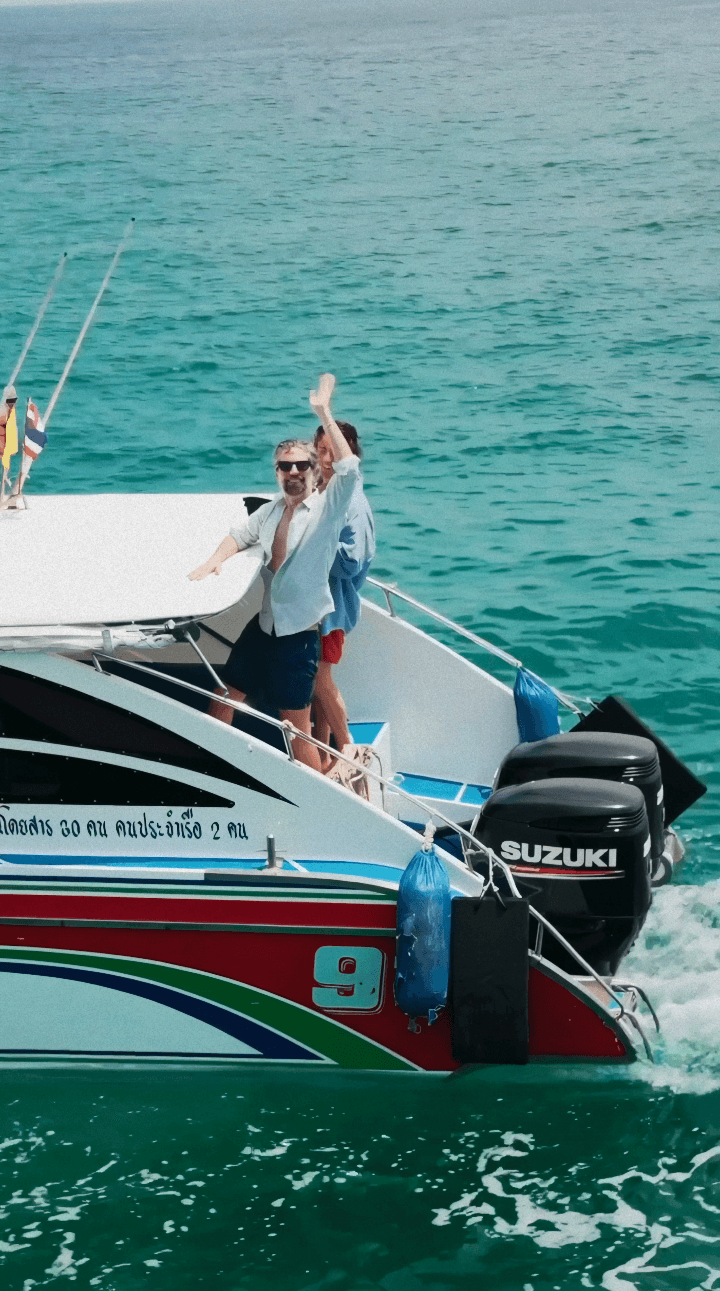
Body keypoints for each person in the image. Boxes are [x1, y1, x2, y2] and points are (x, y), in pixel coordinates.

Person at [188, 374, 359, 772]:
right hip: (264, 627)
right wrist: (215, 561)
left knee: (294, 728)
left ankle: (322, 802)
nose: (294, 472)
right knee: (223, 695)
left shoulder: (325, 512)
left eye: (302, 465)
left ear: (315, 473)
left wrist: (324, 413)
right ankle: (216, 769)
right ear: (277, 472)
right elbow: (238, 535)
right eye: (286, 466)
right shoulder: (268, 512)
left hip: (298, 638)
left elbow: (349, 468)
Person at [312, 420, 375, 771]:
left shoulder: (353, 502)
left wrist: (311, 543)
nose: (325, 458)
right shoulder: (327, 491)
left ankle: (348, 747)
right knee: (319, 688)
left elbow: (352, 561)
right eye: (320, 451)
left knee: (320, 680)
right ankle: (323, 754)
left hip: (332, 611)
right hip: (321, 606)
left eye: (333, 451)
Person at [0, 386, 17, 462]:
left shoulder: (12, 409)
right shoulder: (2, 411)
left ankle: (5, 473)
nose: (12, 402)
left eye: (14, 400)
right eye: (10, 400)